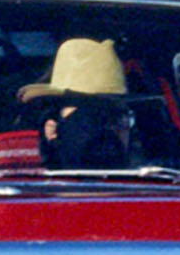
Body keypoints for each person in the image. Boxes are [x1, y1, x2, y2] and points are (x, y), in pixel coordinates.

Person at [18, 37, 134, 169]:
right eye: (89, 116)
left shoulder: (147, 177)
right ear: (52, 129)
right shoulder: (17, 177)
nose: (105, 130)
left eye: (116, 118)